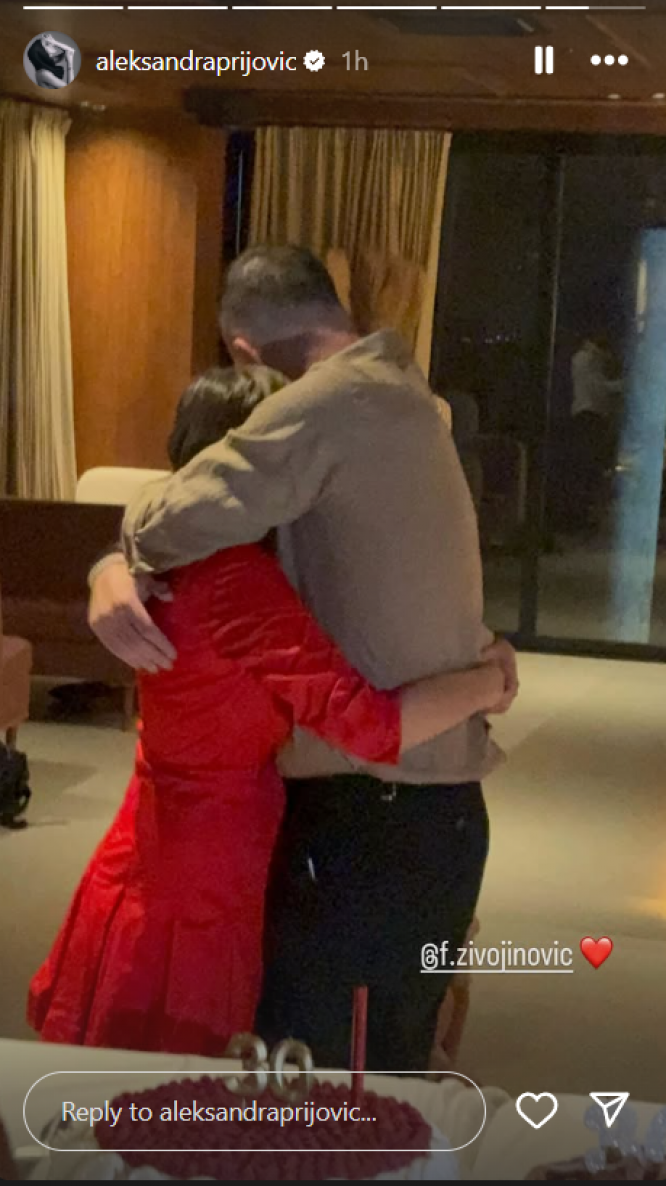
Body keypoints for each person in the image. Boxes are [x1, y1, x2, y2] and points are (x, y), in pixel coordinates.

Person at [89, 245, 519, 1070]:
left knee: (326, 1088)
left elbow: (166, 518)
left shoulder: (329, 405)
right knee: (368, 1078)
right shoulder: (402, 396)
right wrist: (485, 677)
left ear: (244, 350)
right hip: (420, 811)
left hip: (373, 817)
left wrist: (113, 559)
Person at [570, 334, 623, 527]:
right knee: (591, 467)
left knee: (589, 467)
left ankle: (585, 513)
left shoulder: (582, 358)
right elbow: (597, 389)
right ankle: (585, 514)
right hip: (589, 416)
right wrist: (621, 385)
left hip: (586, 416)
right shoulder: (589, 360)